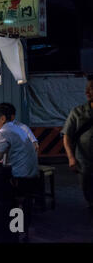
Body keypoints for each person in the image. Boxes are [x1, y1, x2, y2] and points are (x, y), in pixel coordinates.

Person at [0, 104, 39, 188]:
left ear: (2, 119)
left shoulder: (3, 132)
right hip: (31, 172)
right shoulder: (16, 128)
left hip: (20, 176)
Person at [62, 75, 93, 209]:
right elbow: (67, 136)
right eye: (86, 89)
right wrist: (71, 158)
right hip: (84, 160)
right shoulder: (78, 112)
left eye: (91, 89)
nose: (87, 92)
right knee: (88, 190)